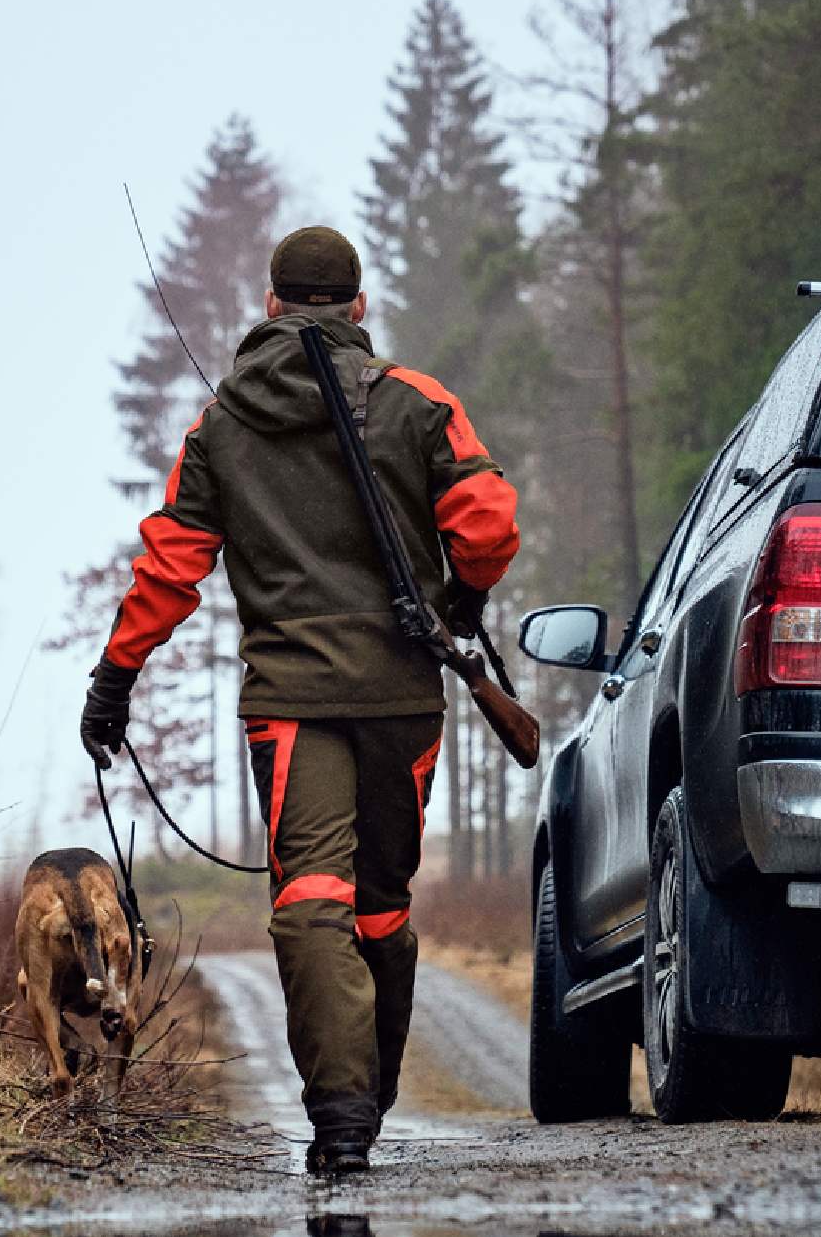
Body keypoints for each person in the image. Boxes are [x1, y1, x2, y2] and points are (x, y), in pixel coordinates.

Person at [80, 226, 520, 1174]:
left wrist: (115, 679)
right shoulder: (418, 402)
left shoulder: (221, 422)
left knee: (310, 895)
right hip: (403, 697)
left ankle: (343, 1115)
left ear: (273, 304)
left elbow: (171, 566)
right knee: (381, 903)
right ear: (357, 307)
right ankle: (369, 1098)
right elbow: (489, 523)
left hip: (287, 704)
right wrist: (465, 599)